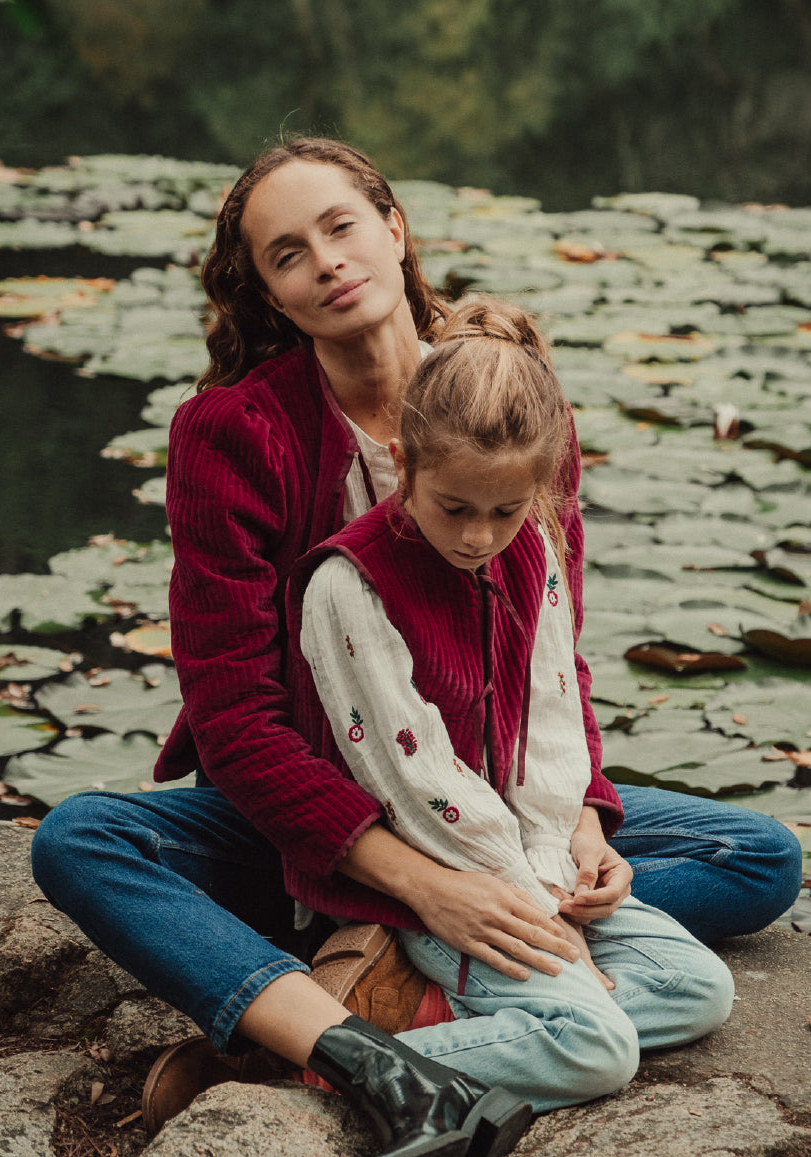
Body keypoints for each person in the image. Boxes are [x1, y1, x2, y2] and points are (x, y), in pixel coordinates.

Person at [30, 136, 801, 1157]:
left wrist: (582, 817)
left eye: (341, 225)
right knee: (81, 839)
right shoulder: (232, 434)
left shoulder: (508, 396)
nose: (327, 262)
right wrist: (420, 880)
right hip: (307, 817)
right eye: (287, 252)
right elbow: (237, 718)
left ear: (393, 226)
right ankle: (362, 1037)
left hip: (492, 802)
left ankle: (363, 999)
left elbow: (551, 645)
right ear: (267, 289)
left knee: (755, 853)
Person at [287, 296, 735, 1110]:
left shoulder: (532, 547)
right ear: (401, 464)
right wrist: (542, 918)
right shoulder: (348, 587)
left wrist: (582, 837)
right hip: (443, 881)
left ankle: (447, 1020)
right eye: (453, 508)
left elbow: (556, 716)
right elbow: (415, 784)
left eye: (506, 510)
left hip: (537, 865)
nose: (477, 537)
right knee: (602, 1050)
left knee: (701, 988)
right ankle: (336, 1062)